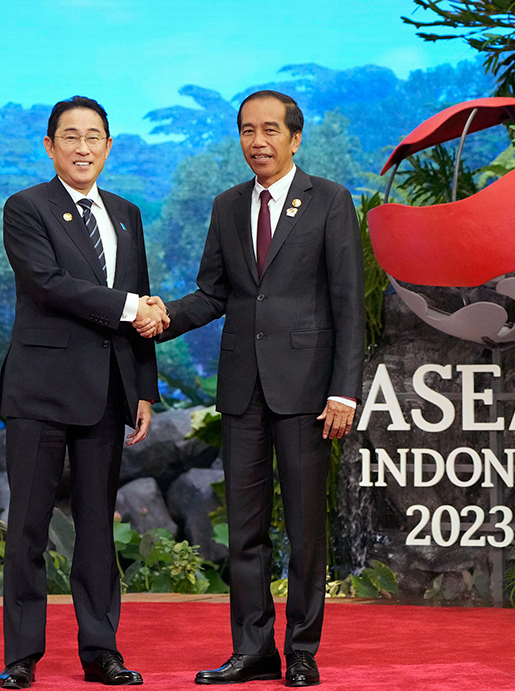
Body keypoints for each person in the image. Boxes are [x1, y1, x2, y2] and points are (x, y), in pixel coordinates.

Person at [146, 90, 365, 687]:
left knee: (304, 530)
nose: (257, 141)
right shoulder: (226, 205)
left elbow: (349, 302)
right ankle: (252, 650)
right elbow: (215, 294)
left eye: (270, 129)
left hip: (307, 394)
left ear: (296, 138)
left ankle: (301, 651)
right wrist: (161, 318)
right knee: (242, 530)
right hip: (242, 391)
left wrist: (344, 392)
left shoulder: (331, 201)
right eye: (247, 130)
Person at [0, 95, 167, 689]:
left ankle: (101, 652)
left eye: (94, 136)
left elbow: (140, 295)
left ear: (109, 146)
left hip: (107, 391)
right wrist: (129, 308)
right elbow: (48, 285)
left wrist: (143, 386)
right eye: (70, 136)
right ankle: (22, 657)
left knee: (97, 529)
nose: (83, 147)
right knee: (29, 528)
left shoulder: (127, 213)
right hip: (40, 392)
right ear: (49, 146)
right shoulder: (26, 208)